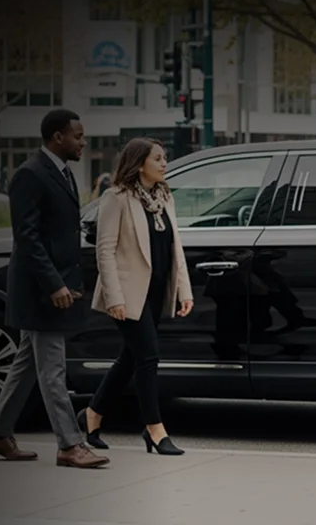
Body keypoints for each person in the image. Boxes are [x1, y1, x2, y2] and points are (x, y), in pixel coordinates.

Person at [0, 109, 108, 469]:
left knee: (26, 366)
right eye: (78, 136)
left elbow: (60, 233)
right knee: (52, 370)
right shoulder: (30, 174)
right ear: (57, 137)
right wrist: (54, 285)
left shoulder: (62, 173)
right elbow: (28, 238)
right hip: (40, 291)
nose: (83, 142)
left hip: (55, 286)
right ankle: (70, 444)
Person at [79, 138, 194, 456]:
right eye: (158, 158)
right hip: (128, 293)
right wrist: (114, 297)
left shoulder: (163, 197)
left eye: (165, 158)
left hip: (156, 291)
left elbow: (175, 246)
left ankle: (92, 414)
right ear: (139, 162)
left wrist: (184, 289)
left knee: (129, 358)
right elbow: (105, 250)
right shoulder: (116, 198)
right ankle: (154, 429)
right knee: (148, 357)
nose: (164, 163)